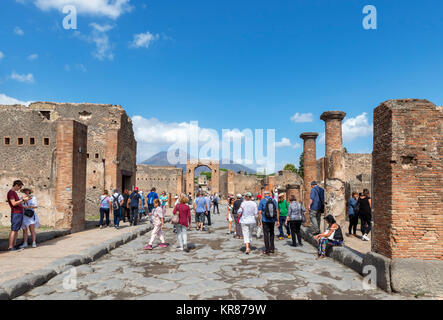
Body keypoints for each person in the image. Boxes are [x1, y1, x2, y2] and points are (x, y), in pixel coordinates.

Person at [7, 180, 28, 251]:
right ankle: (10, 246)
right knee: (14, 230)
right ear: (16, 185)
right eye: (20, 187)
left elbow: (17, 202)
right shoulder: (11, 193)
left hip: (18, 213)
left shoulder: (14, 193)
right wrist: (22, 200)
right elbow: (13, 203)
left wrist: (23, 200)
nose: (19, 188)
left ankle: (14, 245)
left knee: (16, 230)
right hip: (16, 213)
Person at [258, 190, 279, 255]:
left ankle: (267, 250)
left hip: (265, 220)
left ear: (264, 194)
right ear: (269, 194)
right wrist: (277, 220)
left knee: (266, 235)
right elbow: (277, 210)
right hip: (272, 220)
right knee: (272, 234)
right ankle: (272, 248)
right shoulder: (274, 201)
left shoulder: (262, 201)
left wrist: (259, 221)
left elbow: (259, 212)